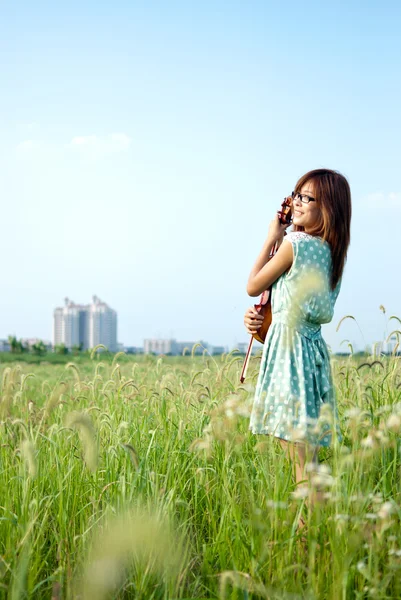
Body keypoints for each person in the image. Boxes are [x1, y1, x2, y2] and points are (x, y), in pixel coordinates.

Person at [244, 168, 351, 526]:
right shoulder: (331, 254)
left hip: (289, 356)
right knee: (308, 464)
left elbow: (253, 284)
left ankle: (312, 545)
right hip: (311, 354)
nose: (297, 202)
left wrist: (272, 236)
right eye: (297, 195)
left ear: (329, 209)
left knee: (302, 467)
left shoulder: (296, 244)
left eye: (307, 198)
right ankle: (320, 539)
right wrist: (259, 325)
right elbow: (294, 310)